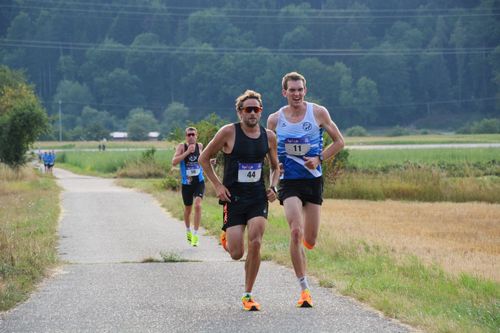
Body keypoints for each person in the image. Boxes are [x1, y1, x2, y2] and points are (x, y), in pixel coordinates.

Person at [267, 72, 345, 308]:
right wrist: (273, 174)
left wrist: (319, 158)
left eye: (300, 89)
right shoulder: (274, 119)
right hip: (289, 182)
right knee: (295, 232)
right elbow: (268, 152)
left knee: (310, 239)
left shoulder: (318, 112)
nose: (296, 94)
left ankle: (302, 250)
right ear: (284, 92)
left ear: (305, 90)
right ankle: (304, 289)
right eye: (292, 90)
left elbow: (339, 142)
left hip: (312, 181)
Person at [199, 90, 280, 311]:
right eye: (248, 109)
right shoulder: (228, 132)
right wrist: (217, 185)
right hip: (233, 198)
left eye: (257, 109)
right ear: (240, 112)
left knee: (255, 241)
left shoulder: (269, 136)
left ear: (261, 111)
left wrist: (273, 187)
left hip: (257, 198)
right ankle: (226, 237)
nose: (253, 113)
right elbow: (203, 159)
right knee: (236, 253)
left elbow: (275, 167)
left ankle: (248, 294)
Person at [172, 127, 205, 247]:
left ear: (197, 136)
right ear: (186, 136)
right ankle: (188, 231)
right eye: (188, 135)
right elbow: (174, 162)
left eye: (193, 135)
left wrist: (209, 161)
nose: (191, 137)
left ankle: (196, 235)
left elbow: (202, 160)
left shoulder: (200, 146)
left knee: (198, 205)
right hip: (187, 183)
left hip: (199, 181)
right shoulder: (182, 147)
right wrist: (187, 152)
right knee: (188, 210)